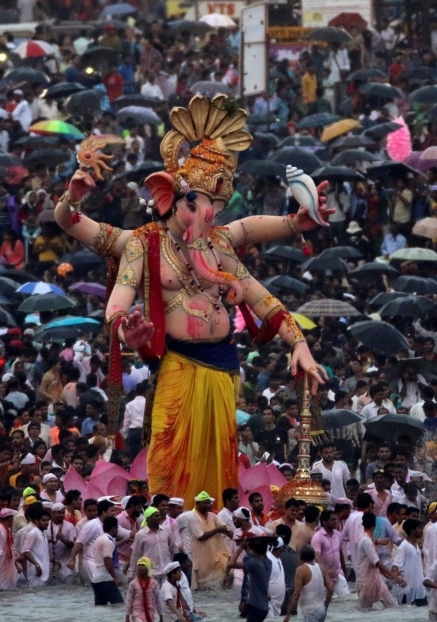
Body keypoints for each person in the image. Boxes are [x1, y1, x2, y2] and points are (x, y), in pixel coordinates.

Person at [54, 95, 328, 506]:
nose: (210, 214)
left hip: (222, 370)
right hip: (176, 367)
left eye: (219, 205)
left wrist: (300, 344)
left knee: (218, 470)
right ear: (172, 196)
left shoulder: (219, 243)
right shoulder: (141, 244)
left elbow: (259, 293)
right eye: (201, 204)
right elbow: (89, 249)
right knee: (168, 459)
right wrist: (72, 200)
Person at [354, 511, 404, 609]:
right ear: (374, 525)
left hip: (376, 580)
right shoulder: (366, 541)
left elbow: (376, 565)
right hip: (366, 582)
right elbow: (377, 563)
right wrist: (393, 576)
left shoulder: (368, 540)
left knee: (393, 606)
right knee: (365, 612)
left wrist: (391, 575)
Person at [188, 491, 232, 590]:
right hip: (202, 559)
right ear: (197, 504)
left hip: (216, 558)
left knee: (222, 583)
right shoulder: (192, 517)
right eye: (205, 503)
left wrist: (237, 536)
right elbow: (201, 536)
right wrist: (218, 530)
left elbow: (225, 528)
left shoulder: (212, 516)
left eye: (208, 503)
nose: (208, 505)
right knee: (203, 590)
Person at [283, 544, 330, 622]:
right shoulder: (321, 568)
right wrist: (325, 605)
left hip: (310, 612)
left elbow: (296, 594)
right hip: (322, 610)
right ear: (313, 556)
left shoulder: (301, 570)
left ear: (300, 557)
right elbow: (331, 588)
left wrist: (288, 615)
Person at [91, 515, 125, 606]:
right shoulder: (109, 541)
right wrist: (115, 578)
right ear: (113, 528)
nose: (117, 530)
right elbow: (107, 560)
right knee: (119, 605)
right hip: (106, 579)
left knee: (101, 607)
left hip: (96, 578)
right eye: (117, 527)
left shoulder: (99, 538)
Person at [239, 536, 273, 622]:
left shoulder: (254, 563)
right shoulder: (269, 563)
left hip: (255, 607)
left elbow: (231, 564)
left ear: (254, 550)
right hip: (265, 608)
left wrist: (240, 548)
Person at [125, 557, 163, 622]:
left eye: (143, 565)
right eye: (139, 566)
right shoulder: (133, 584)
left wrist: (161, 617)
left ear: (148, 568)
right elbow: (129, 601)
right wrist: (127, 617)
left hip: (151, 613)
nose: (140, 568)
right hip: (137, 613)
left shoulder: (154, 583)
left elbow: (158, 600)